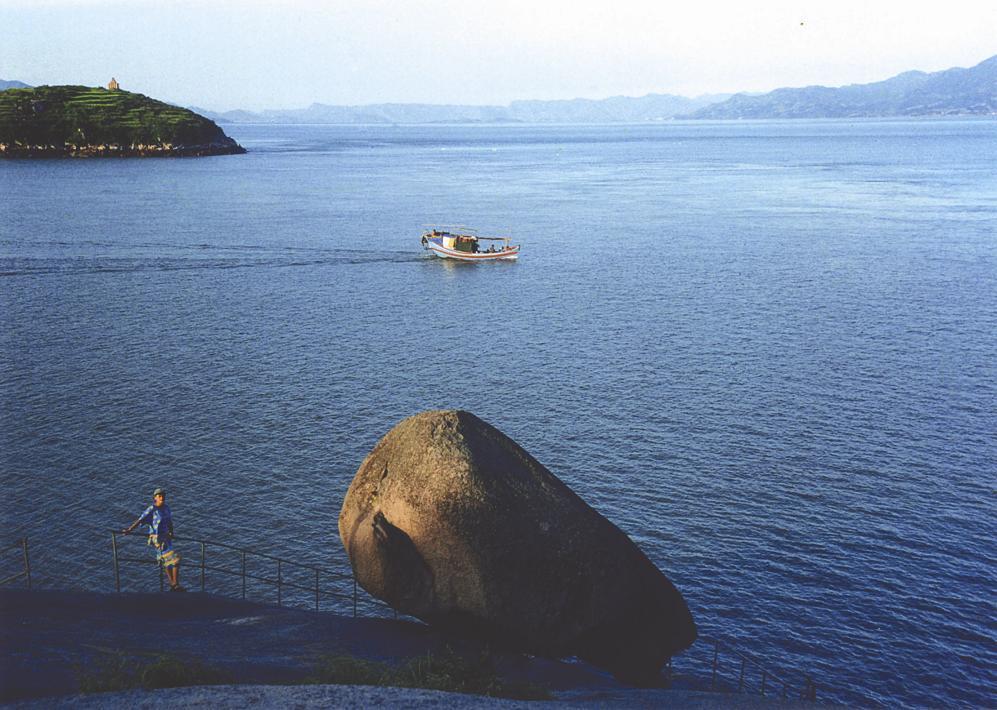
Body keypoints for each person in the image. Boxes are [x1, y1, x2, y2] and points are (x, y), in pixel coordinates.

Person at [123, 487, 184, 591]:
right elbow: (140, 519)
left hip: (166, 538)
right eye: (159, 496)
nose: (162, 497)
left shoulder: (166, 508)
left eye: (163, 496)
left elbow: (169, 521)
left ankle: (173, 585)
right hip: (157, 539)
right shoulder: (152, 509)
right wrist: (130, 529)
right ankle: (175, 584)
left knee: (167, 561)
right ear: (155, 498)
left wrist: (171, 532)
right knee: (176, 559)